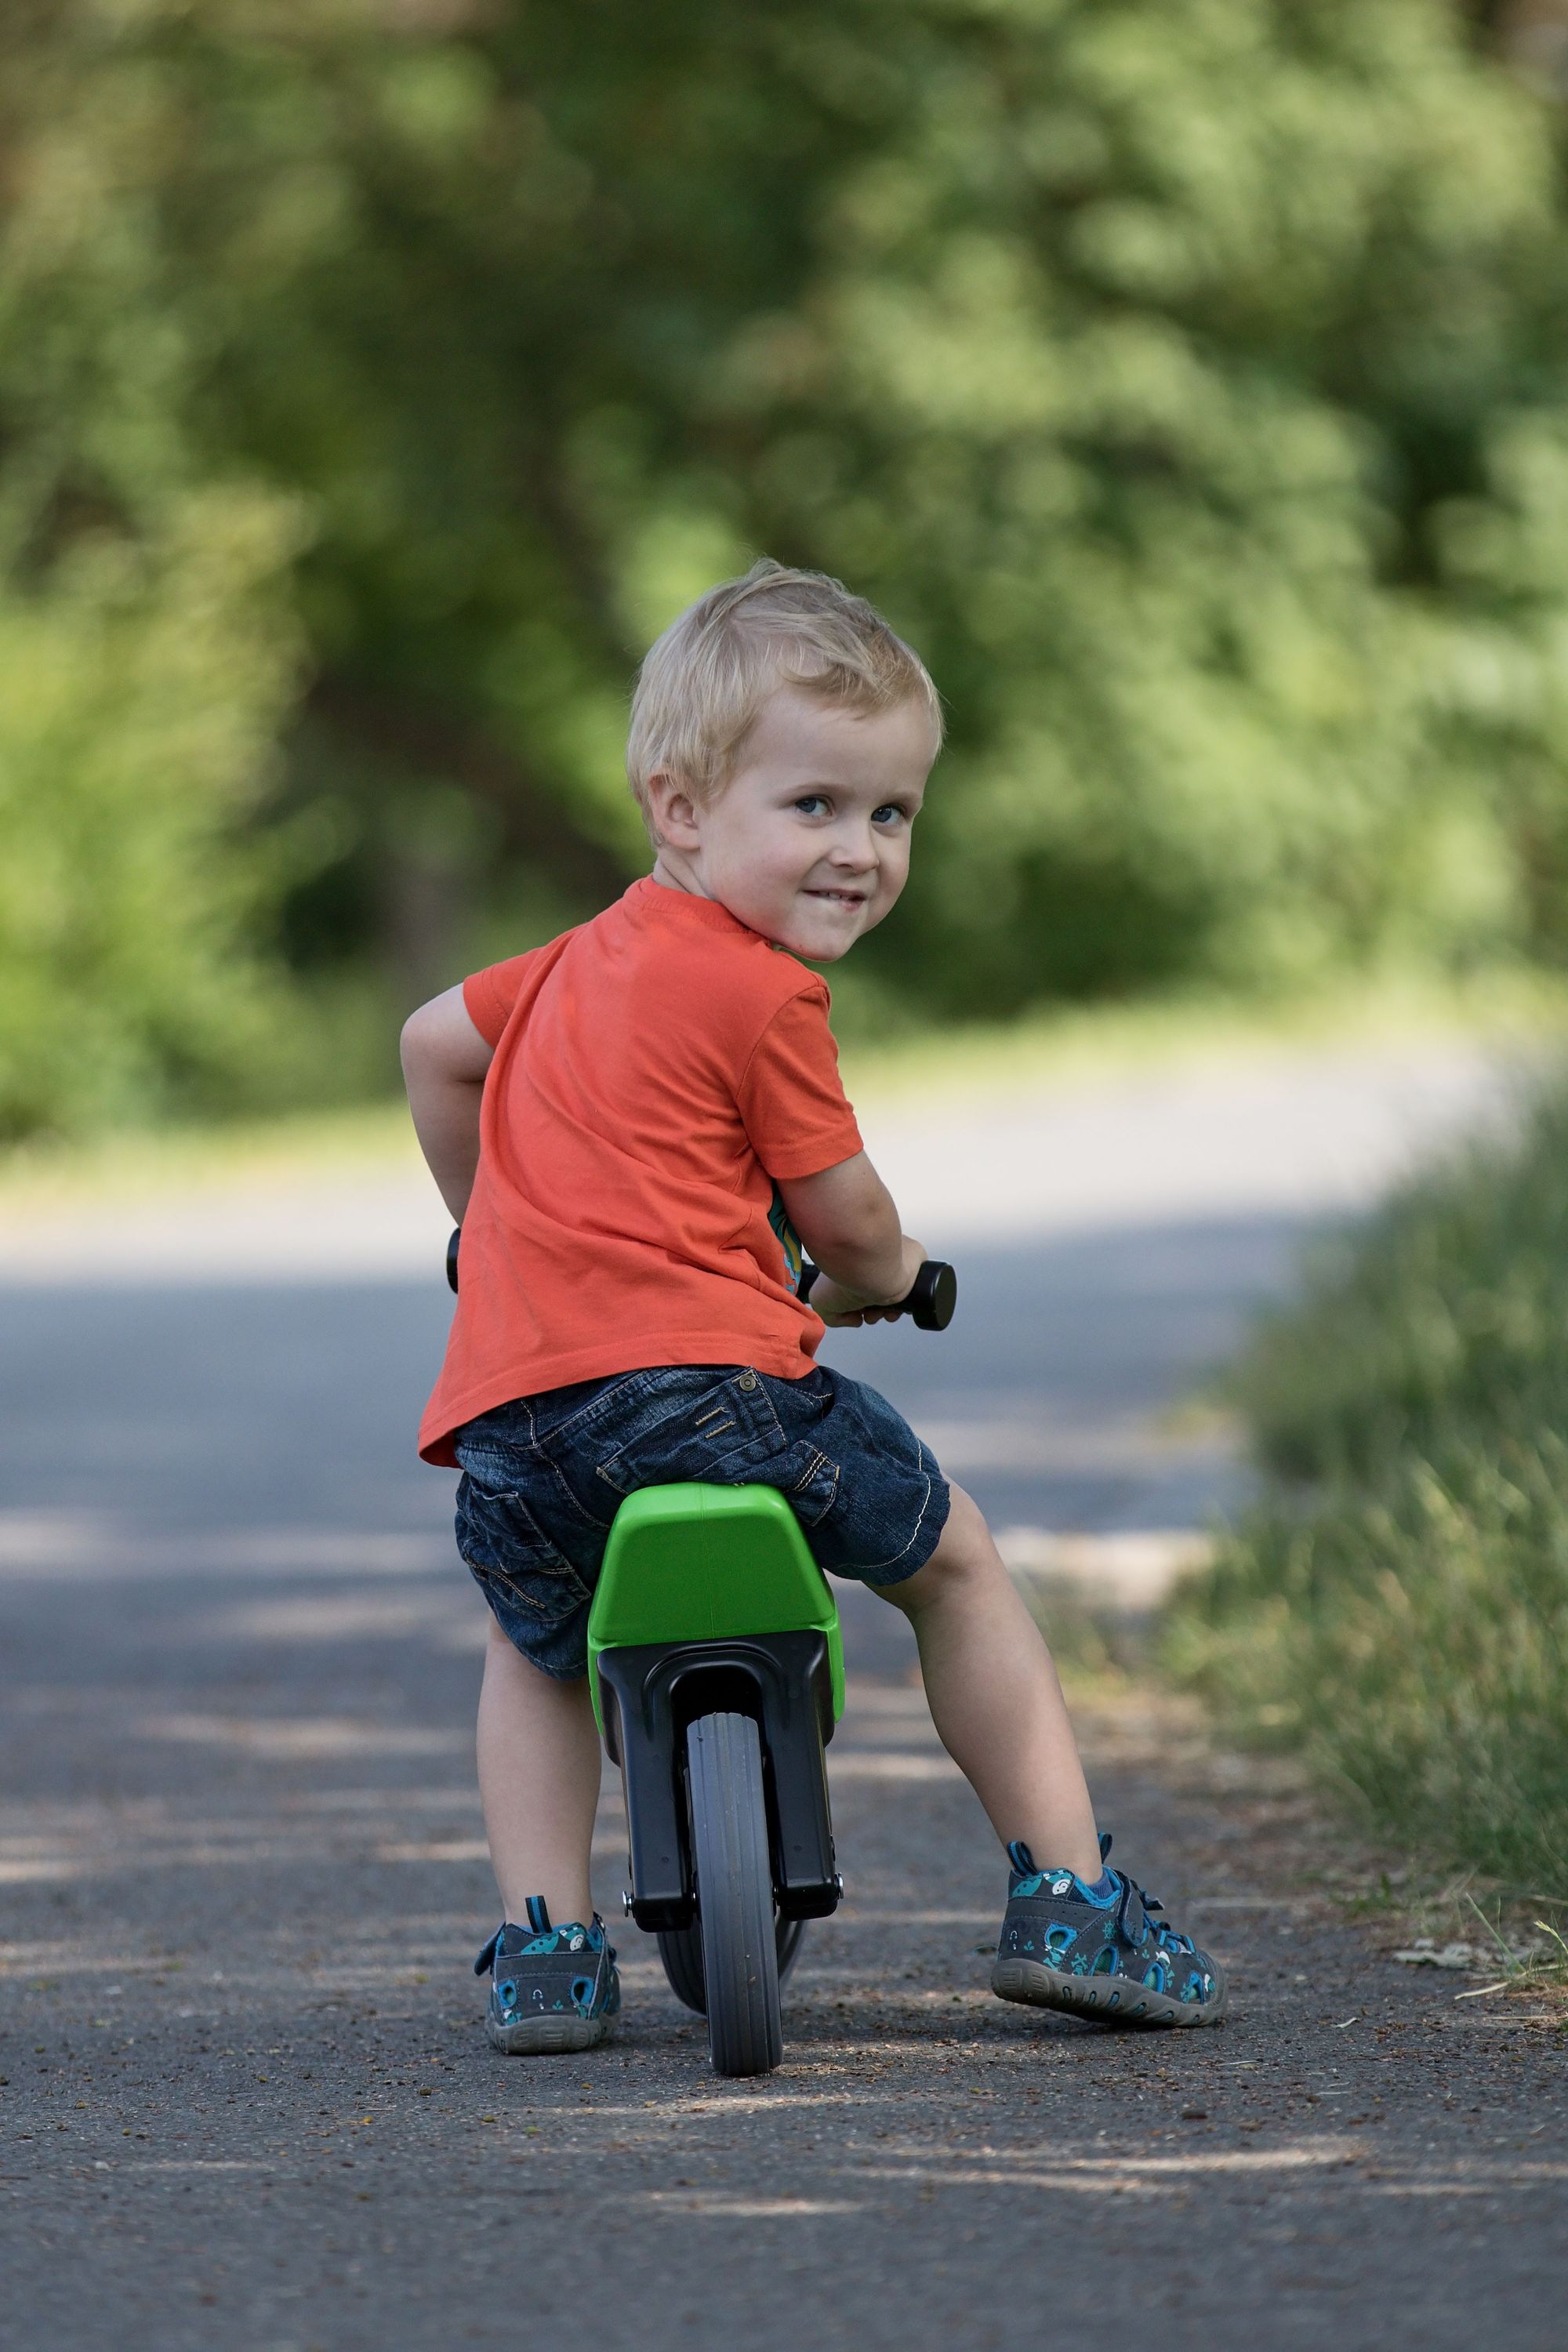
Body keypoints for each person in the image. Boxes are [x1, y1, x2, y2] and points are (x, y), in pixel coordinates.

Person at [401, 560, 1225, 2054]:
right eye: (816, 805)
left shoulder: (568, 966)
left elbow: (429, 1046)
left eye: (892, 812)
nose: (860, 848)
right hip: (711, 1397)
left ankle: (545, 1946)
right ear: (680, 808)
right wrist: (893, 1281)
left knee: (534, 1649)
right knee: (957, 1565)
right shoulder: (763, 993)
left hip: (515, 1420)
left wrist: (487, 1228)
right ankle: (1073, 1899)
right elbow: (846, 1221)